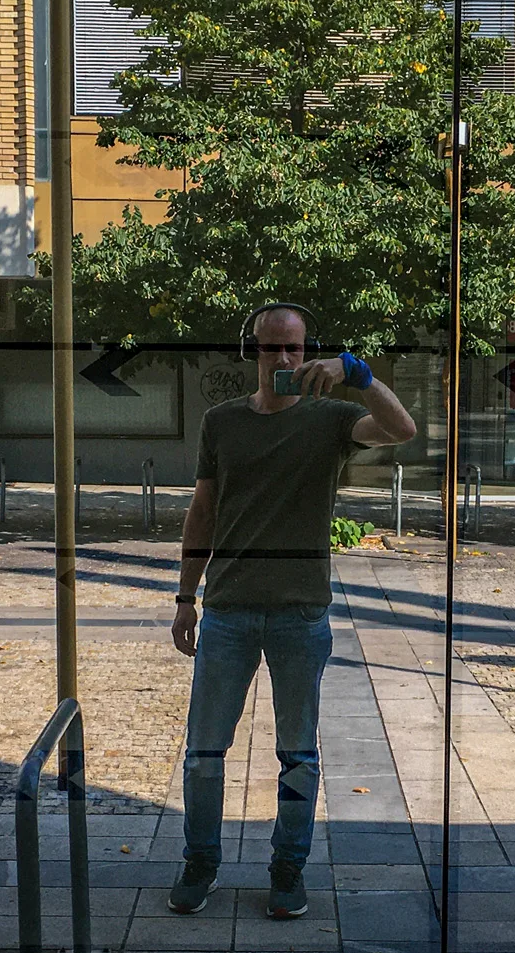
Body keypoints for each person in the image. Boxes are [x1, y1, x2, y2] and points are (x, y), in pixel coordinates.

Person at [168, 304, 418, 918]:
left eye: (294, 348)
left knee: (298, 754)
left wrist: (357, 372)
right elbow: (203, 511)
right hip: (227, 609)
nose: (283, 359)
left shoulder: (331, 419)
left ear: (308, 351)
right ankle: (201, 862)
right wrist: (185, 596)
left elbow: (401, 429)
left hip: (300, 613)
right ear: (251, 351)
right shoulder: (222, 422)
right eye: (271, 347)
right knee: (204, 752)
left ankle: (288, 869)